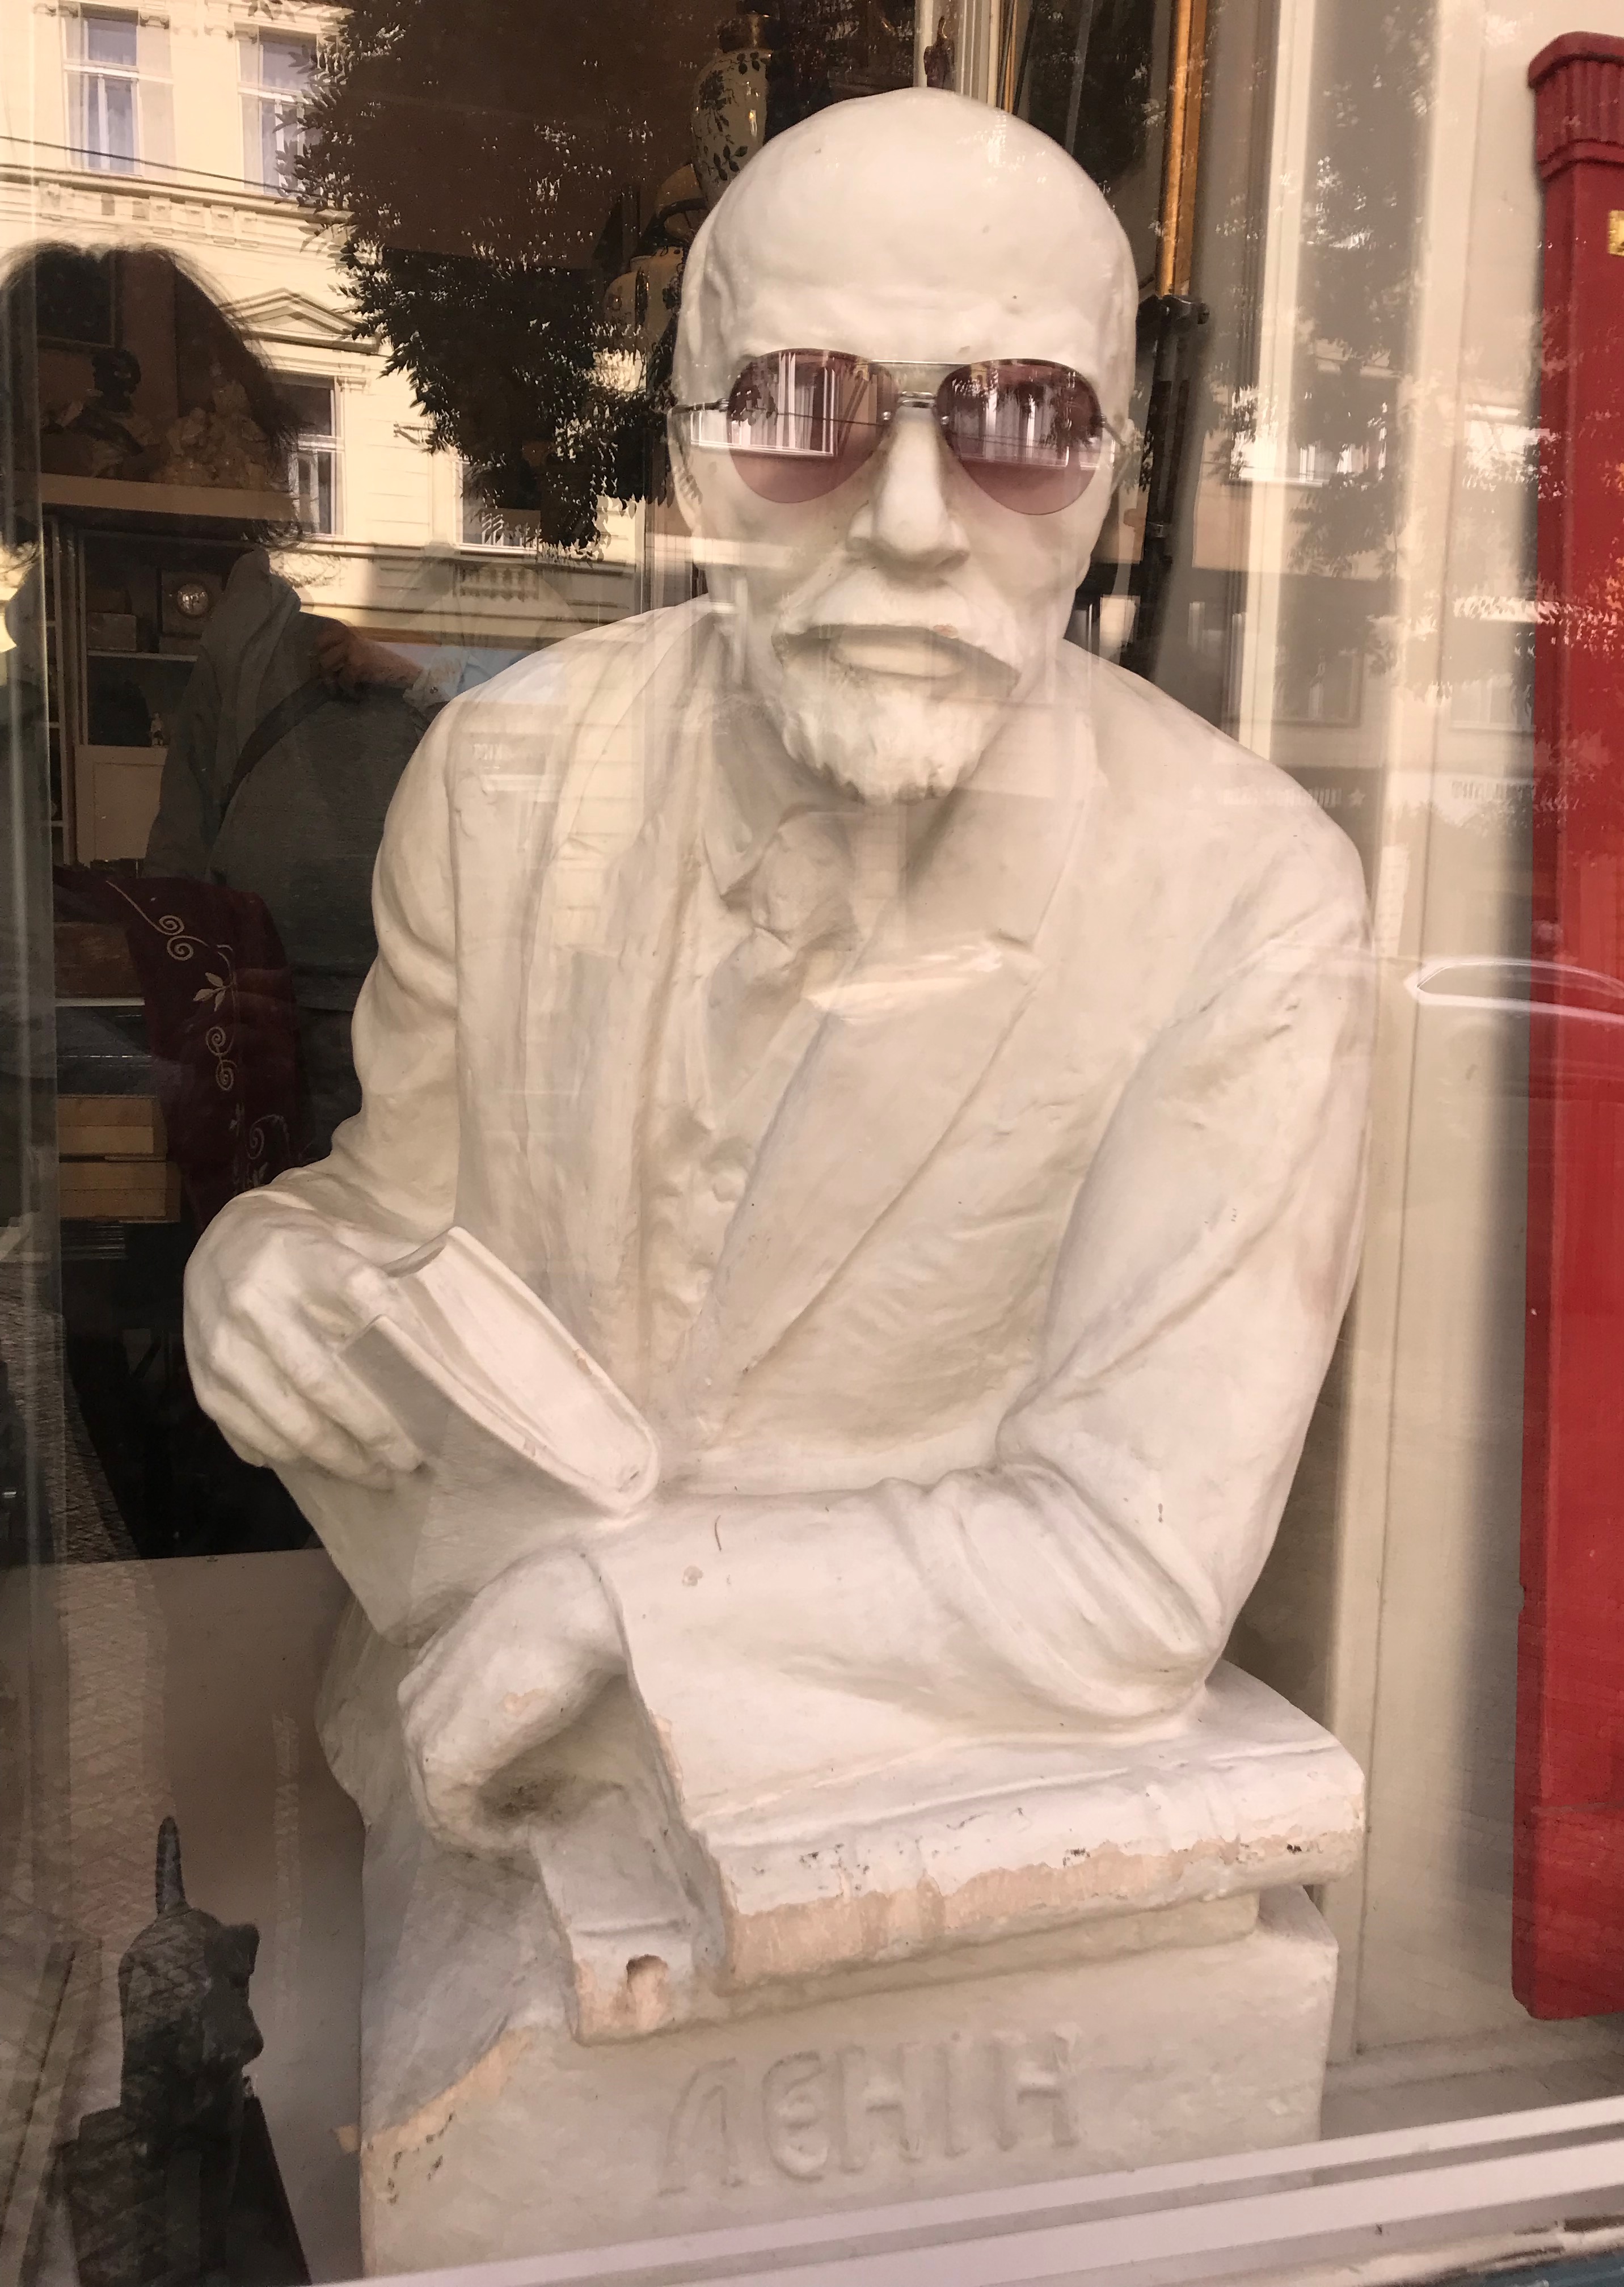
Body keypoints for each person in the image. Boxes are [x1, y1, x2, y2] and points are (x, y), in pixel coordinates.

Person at [183, 92, 1371, 1879]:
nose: (909, 520)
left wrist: (624, 1609)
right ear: (685, 460)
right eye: (802, 408)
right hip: (462, 1764)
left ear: (1116, 477)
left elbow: (1135, 1565)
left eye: (1019, 421)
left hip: (867, 1813)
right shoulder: (508, 783)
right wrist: (261, 1266)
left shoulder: (1249, 896)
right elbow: (402, 1224)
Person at [146, 552, 449, 1153]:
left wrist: (417, 669)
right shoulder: (245, 630)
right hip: (272, 983)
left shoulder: (446, 621)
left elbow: (516, 731)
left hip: (404, 988)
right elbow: (191, 799)